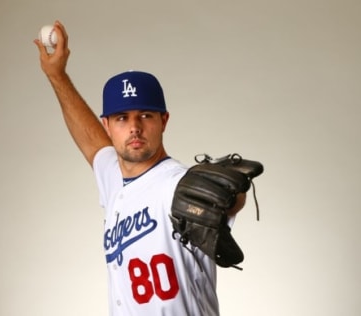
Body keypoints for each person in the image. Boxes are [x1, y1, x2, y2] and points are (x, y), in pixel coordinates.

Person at [34, 20, 246, 316]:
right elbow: (93, 144)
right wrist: (56, 75)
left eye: (145, 115)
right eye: (121, 118)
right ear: (107, 125)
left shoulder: (176, 185)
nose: (134, 127)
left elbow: (229, 200)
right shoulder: (113, 179)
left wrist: (232, 197)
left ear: (164, 121)